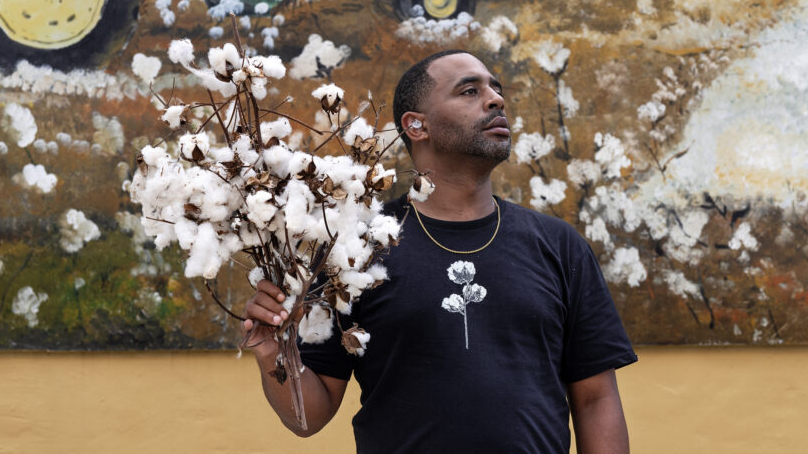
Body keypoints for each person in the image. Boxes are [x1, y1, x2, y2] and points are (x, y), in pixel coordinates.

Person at [242, 49, 636, 453]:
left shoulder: (559, 246)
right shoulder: (354, 250)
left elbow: (595, 398)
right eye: (469, 91)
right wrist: (273, 353)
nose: (495, 99)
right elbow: (310, 416)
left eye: (495, 89)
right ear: (416, 125)